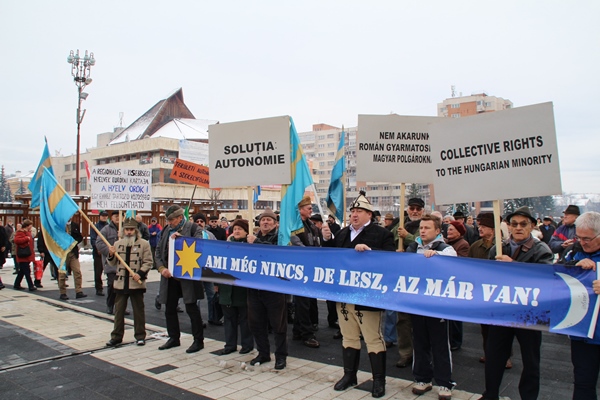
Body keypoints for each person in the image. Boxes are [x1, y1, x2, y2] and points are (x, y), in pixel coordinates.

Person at [322, 191, 395, 398]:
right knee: (349, 336)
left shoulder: (382, 234)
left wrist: (370, 251)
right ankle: (349, 375)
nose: (354, 214)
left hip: (367, 295)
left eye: (359, 211)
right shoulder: (342, 233)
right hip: (345, 294)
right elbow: (331, 257)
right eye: (353, 211)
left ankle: (379, 380)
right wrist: (327, 240)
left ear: (369, 214)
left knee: (373, 338)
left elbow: (390, 260)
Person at [479, 206, 553, 400]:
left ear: (532, 226)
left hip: (530, 313)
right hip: (502, 311)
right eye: (514, 224)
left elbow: (545, 278)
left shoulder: (541, 250)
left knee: (530, 360)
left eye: (523, 224)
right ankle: (490, 394)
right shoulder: (498, 248)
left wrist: (513, 266)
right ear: (509, 227)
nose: (518, 228)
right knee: (494, 356)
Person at [406, 214, 457, 400]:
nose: (423, 231)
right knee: (420, 342)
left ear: (437, 231)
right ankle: (422, 378)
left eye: (427, 228)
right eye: (421, 227)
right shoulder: (413, 248)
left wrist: (437, 256)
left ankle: (445, 382)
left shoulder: (445, 249)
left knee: (440, 344)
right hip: (418, 304)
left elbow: (454, 262)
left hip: (437, 305)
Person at [559, 211, 600, 399]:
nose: (582, 242)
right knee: (583, 383)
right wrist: (575, 265)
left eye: (587, 239)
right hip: (583, 332)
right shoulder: (573, 251)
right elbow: (556, 277)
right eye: (579, 237)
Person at [155, 205, 205, 353]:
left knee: (191, 307)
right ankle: (173, 338)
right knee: (169, 308)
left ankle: (198, 340)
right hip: (170, 276)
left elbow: (199, 247)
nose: (169, 223)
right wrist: (161, 268)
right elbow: (158, 251)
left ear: (180, 217)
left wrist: (182, 240)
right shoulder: (166, 230)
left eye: (172, 220)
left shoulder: (194, 228)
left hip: (187, 276)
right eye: (168, 220)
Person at [246, 208, 288, 370]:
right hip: (255, 288)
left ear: (275, 223)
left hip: (274, 288)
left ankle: (281, 356)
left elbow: (274, 252)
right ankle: (263, 353)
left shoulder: (280, 238)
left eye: (269, 220)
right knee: (256, 323)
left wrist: (256, 243)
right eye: (263, 220)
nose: (265, 222)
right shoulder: (252, 237)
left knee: (278, 325)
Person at [468, 213, 512, 369]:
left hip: (500, 291)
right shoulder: (475, 246)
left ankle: (506, 356)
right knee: (485, 327)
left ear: (493, 230)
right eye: (479, 226)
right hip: (482, 290)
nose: (480, 229)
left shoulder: (503, 247)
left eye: (484, 227)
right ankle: (489, 353)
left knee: (503, 327)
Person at [105, 218, 153, 347]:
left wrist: (140, 273)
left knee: (138, 311)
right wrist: (111, 254)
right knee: (119, 311)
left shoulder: (144, 244)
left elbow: (148, 262)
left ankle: (140, 336)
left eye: (131, 229)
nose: (129, 232)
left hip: (136, 283)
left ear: (136, 231)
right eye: (127, 229)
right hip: (121, 282)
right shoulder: (117, 244)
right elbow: (112, 263)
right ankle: (116, 336)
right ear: (123, 231)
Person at [290, 196, 322, 349]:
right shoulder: (294, 226)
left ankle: (298, 330)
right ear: (300, 210)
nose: (311, 210)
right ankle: (307, 334)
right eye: (308, 208)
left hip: (310, 267)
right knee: (303, 302)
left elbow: (317, 243)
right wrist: (312, 256)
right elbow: (296, 244)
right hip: (300, 268)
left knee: (305, 301)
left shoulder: (312, 226)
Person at [218, 218, 254, 355]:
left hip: (243, 289)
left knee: (245, 319)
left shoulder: (250, 247)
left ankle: (247, 345)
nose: (237, 231)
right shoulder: (226, 246)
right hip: (227, 289)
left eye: (240, 229)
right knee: (229, 319)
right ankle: (230, 345)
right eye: (235, 229)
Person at [191, 212, 221, 327]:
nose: (199, 223)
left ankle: (213, 317)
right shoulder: (190, 234)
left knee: (211, 294)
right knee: (197, 296)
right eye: (197, 221)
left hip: (208, 269)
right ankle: (197, 320)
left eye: (201, 221)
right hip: (196, 268)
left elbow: (216, 249)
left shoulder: (210, 235)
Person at [96, 212, 121, 313]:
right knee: (112, 284)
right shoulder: (106, 230)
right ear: (112, 218)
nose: (118, 218)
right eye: (116, 216)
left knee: (122, 287)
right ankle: (110, 305)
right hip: (111, 263)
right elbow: (99, 243)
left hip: (123, 263)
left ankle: (120, 307)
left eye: (120, 216)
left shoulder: (125, 229)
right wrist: (109, 252)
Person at [58, 220, 87, 301]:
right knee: (62, 274)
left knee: (77, 271)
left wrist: (74, 242)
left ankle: (78, 291)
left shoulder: (74, 225)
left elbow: (79, 237)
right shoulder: (60, 225)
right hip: (63, 252)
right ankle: (62, 292)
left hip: (73, 252)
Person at [13, 220, 37, 291]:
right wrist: (26, 238)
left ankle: (17, 284)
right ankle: (31, 285)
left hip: (27, 254)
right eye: (30, 225)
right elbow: (16, 240)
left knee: (22, 271)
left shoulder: (28, 232)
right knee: (27, 271)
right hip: (23, 254)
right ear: (27, 226)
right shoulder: (21, 232)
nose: (31, 226)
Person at [90, 211, 109, 296]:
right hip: (98, 252)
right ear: (99, 216)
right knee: (98, 271)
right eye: (103, 216)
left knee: (111, 270)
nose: (104, 217)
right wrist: (98, 248)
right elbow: (93, 239)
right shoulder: (95, 227)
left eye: (106, 216)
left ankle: (111, 286)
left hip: (108, 251)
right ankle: (98, 288)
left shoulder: (109, 226)